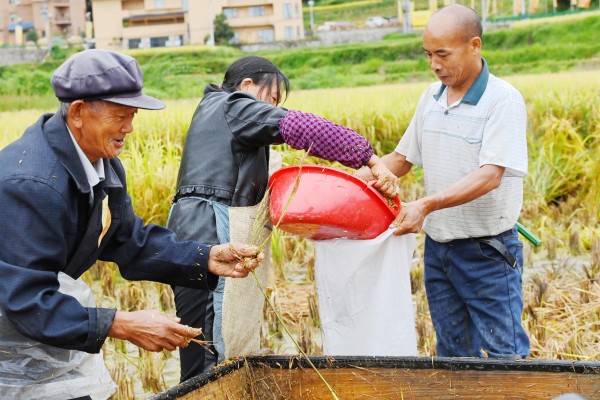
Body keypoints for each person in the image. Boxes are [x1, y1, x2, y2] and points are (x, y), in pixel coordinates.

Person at [0, 49, 263, 400]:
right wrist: (120, 324)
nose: (129, 128)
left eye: (133, 115)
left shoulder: (102, 164)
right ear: (78, 112)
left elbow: (127, 239)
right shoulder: (31, 184)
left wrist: (205, 257)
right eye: (120, 116)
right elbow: (26, 298)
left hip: (34, 327)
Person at [167, 55, 400, 381]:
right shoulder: (234, 104)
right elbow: (300, 126)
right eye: (272, 99)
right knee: (210, 354)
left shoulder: (220, 116)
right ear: (247, 86)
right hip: (208, 229)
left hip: (195, 228)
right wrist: (369, 157)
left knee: (208, 350)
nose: (273, 108)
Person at [359, 5, 530, 359]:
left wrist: (426, 205)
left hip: (488, 251)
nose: (434, 64)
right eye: (427, 55)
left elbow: (490, 176)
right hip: (439, 249)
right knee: (453, 355)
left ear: (474, 45)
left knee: (506, 354)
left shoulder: (502, 100)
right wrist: (346, 180)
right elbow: (401, 160)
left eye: (442, 54)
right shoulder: (431, 98)